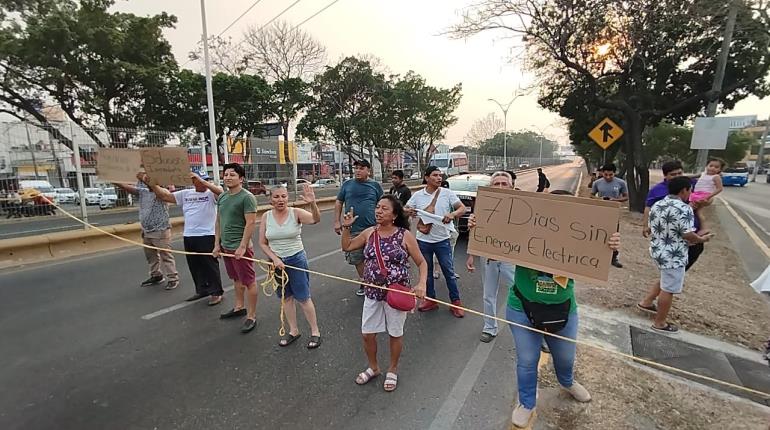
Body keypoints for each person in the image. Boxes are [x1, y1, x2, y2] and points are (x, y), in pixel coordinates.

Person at [466, 191, 621, 428]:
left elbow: (598, 258)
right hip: (522, 307)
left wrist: (609, 246)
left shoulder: (581, 235)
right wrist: (479, 226)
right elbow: (492, 238)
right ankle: (527, 403)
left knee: (566, 357)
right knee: (527, 360)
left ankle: (567, 382)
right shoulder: (522, 230)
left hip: (563, 309)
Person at [341, 194, 427, 392]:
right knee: (367, 333)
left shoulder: (404, 235)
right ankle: (373, 367)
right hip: (372, 291)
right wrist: (346, 227)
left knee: (395, 333)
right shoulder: (369, 233)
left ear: (395, 215)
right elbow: (347, 246)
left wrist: (421, 284)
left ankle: (392, 369)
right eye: (378, 207)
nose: (379, 211)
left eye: (384, 208)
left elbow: (421, 263)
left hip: (397, 292)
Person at [639, 176, 711, 333]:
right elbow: (687, 234)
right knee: (669, 289)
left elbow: (653, 226)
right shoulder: (683, 208)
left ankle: (647, 303)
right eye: (689, 190)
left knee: (665, 280)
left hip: (658, 249)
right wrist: (701, 239)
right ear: (684, 190)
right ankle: (660, 323)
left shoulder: (658, 204)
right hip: (674, 254)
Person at [258, 184, 322, 349]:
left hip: (296, 259)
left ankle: (315, 332)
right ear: (270, 199)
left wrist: (312, 203)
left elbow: (316, 220)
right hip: (277, 263)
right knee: (286, 297)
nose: (281, 200)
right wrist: (275, 259)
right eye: (276, 197)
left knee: (303, 297)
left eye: (284, 196)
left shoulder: (296, 213)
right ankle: (294, 331)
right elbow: (262, 243)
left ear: (288, 197)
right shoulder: (266, 216)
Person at [145, 171, 224, 305]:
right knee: (195, 265)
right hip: (189, 235)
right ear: (193, 181)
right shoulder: (186, 194)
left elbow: (222, 193)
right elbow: (164, 196)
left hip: (207, 235)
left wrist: (204, 181)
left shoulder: (211, 193)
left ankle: (216, 292)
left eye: (206, 179)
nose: (205, 182)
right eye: (200, 180)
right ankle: (202, 289)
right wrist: (151, 183)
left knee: (210, 265)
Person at [405, 166, 467, 317]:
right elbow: (404, 209)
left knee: (449, 272)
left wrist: (452, 214)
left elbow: (462, 208)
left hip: (442, 240)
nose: (439, 178)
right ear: (426, 178)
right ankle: (430, 300)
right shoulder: (418, 195)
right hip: (423, 241)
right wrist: (408, 211)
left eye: (440, 175)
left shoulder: (447, 193)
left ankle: (455, 302)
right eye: (435, 175)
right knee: (426, 272)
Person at [466, 171, 516, 343]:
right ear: (490, 187)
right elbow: (476, 234)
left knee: (522, 293)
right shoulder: (482, 205)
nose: (500, 186)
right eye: (497, 184)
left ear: (512, 187)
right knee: (488, 295)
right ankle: (489, 327)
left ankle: (536, 332)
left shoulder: (522, 206)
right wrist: (471, 255)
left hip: (512, 257)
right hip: (489, 257)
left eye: (504, 183)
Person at [213, 163, 259, 334]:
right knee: (236, 279)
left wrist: (242, 246)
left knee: (249, 281)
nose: (228, 177)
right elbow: (218, 221)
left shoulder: (247, 197)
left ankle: (252, 316)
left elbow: (251, 223)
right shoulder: (223, 197)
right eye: (226, 174)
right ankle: (239, 307)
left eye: (232, 174)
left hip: (241, 249)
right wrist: (217, 244)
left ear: (241, 178)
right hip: (226, 247)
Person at [114, 173, 179, 290]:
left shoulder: (162, 192)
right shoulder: (143, 192)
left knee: (166, 255)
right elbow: (126, 187)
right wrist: (112, 179)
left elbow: (155, 188)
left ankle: (173, 278)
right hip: (147, 230)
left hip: (160, 230)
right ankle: (156, 275)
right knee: (151, 256)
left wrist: (144, 179)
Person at [334, 159, 384, 297]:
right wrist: (336, 221)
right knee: (357, 258)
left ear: (368, 170)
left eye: (361, 168)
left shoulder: (375, 186)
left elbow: (384, 203)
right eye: (356, 168)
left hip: (373, 228)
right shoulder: (347, 185)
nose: (358, 171)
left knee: (374, 256)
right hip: (352, 228)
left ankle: (377, 281)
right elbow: (339, 202)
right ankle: (365, 281)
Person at [590, 163, 628, 268]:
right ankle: (597, 256)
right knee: (598, 234)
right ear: (602, 173)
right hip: (600, 212)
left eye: (610, 175)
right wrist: (599, 200)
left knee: (613, 235)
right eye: (605, 175)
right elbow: (591, 195)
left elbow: (626, 197)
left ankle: (613, 258)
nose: (608, 177)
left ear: (614, 173)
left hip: (614, 213)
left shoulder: (621, 183)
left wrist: (615, 200)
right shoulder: (597, 183)